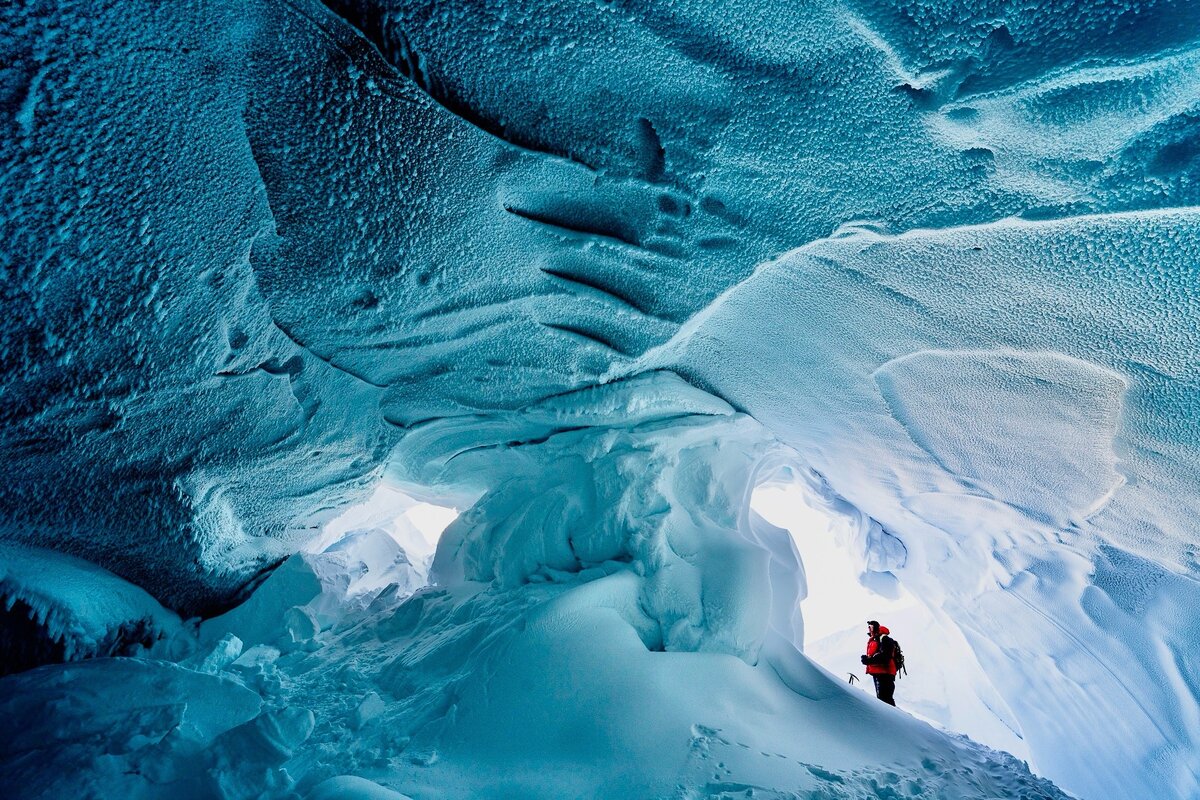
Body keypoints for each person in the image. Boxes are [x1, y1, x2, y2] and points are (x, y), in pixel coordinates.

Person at [860, 619, 897, 706]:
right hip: (879, 673)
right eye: (868, 627)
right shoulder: (874, 639)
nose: (869, 629)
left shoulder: (884, 639)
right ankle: (889, 718)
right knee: (882, 699)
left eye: (871, 626)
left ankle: (891, 718)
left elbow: (885, 657)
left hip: (885, 673)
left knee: (885, 699)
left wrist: (868, 661)